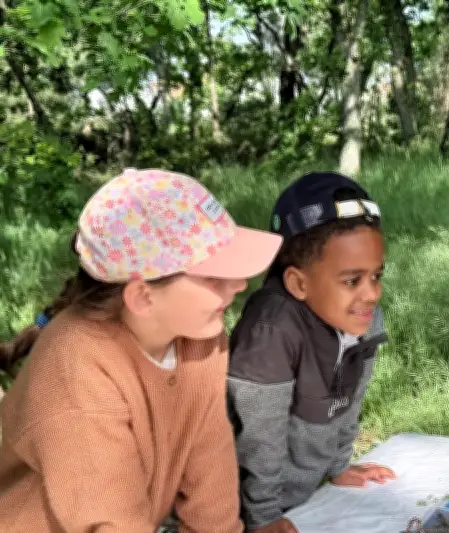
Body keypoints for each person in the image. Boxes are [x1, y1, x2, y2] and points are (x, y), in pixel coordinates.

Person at [0, 168, 283, 532]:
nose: (241, 284)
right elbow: (111, 521)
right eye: (215, 277)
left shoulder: (200, 337)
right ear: (142, 296)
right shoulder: (75, 366)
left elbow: (209, 458)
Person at [226, 171, 396, 533]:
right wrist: (264, 516)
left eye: (376, 276)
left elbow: (351, 398)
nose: (372, 294)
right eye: (352, 280)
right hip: (241, 511)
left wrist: (338, 466)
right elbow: (260, 437)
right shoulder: (269, 331)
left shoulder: (365, 316)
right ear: (298, 283)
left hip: (302, 497)